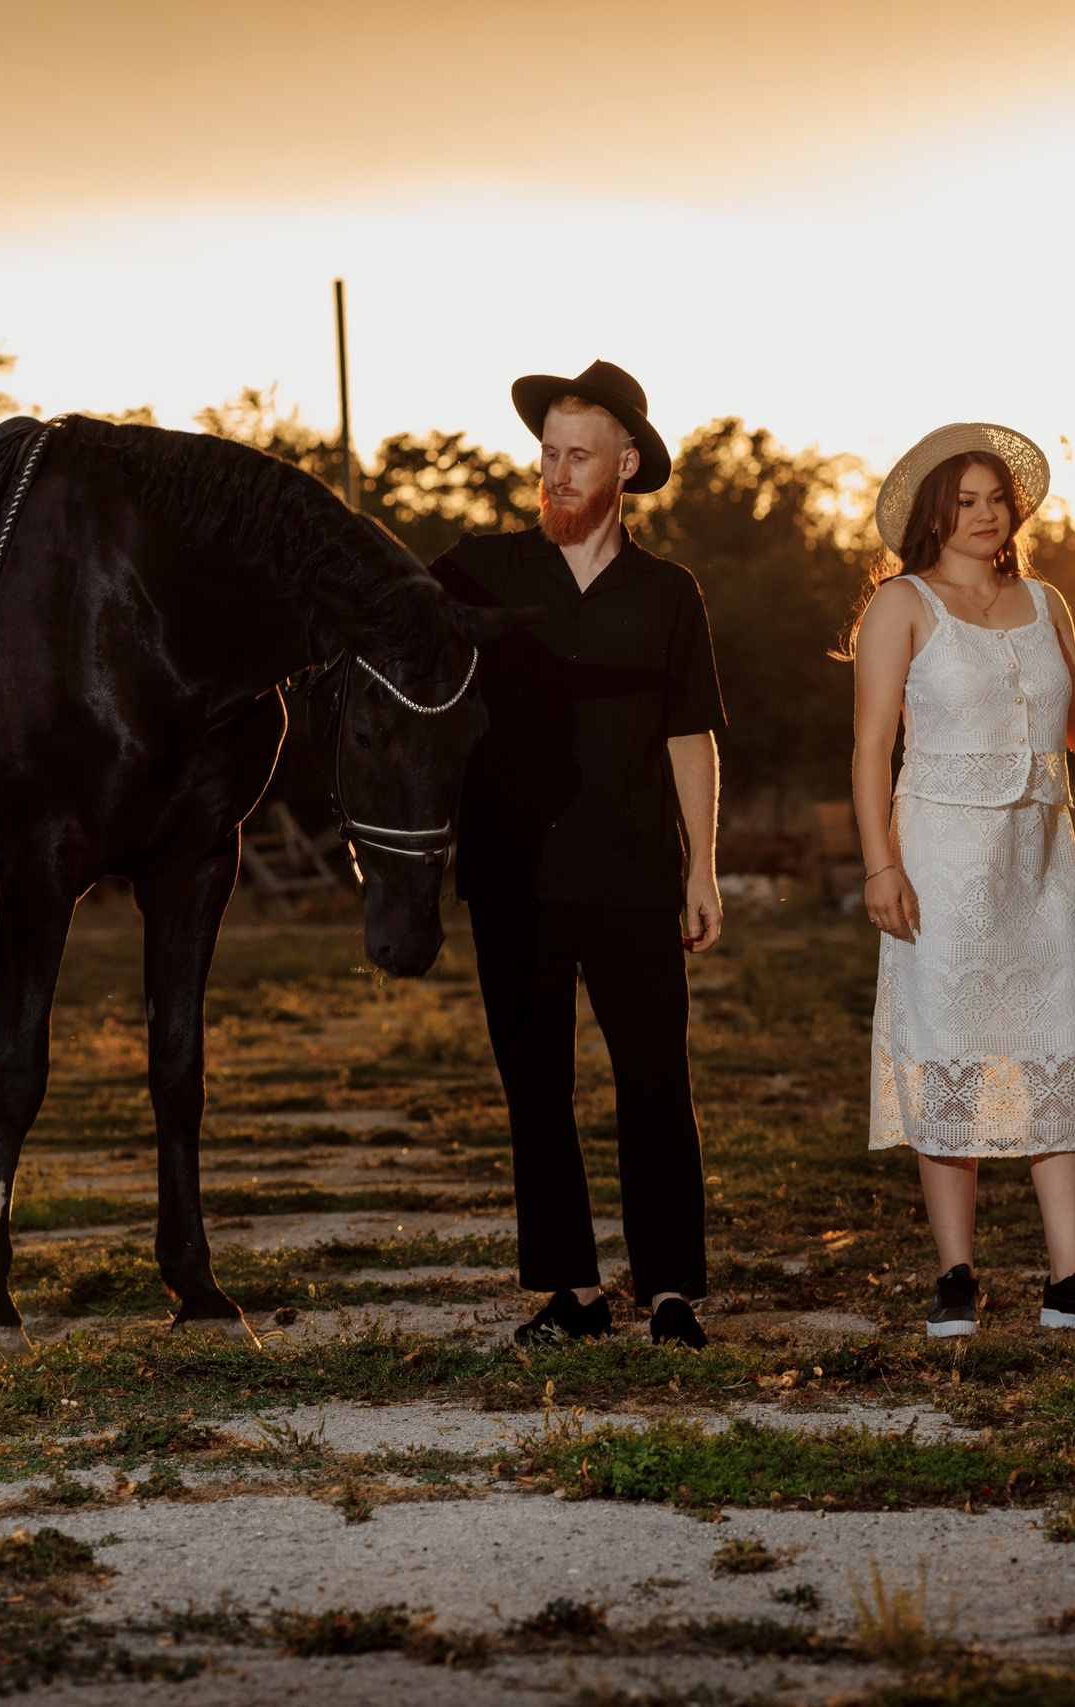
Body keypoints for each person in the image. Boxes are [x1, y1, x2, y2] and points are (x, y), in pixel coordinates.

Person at [848, 422, 1075, 1338]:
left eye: (996, 499)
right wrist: (880, 862)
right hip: (940, 862)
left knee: (1053, 1052)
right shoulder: (901, 604)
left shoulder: (1046, 602)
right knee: (950, 1050)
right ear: (934, 513)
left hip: (1040, 863)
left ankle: (1069, 1280)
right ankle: (956, 1277)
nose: (984, 514)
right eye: (965, 501)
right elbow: (871, 747)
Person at [428, 360, 726, 1350]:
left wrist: (702, 866)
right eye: (548, 454)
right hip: (510, 873)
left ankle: (670, 1291)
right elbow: (399, 645)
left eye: (578, 457)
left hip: (633, 868)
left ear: (624, 465)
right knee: (535, 1087)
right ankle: (572, 1292)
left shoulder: (669, 592)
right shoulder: (477, 570)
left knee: (655, 1081)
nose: (556, 473)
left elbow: (691, 734)